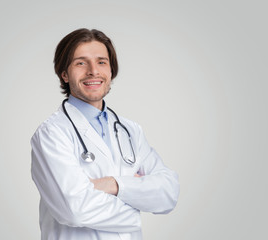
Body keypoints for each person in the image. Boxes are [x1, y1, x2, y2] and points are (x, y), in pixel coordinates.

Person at [31, 28, 180, 240]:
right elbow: (74, 210)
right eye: (81, 63)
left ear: (111, 71)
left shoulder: (130, 131)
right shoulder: (52, 133)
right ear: (64, 74)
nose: (93, 71)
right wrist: (137, 200)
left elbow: (168, 193)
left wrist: (113, 184)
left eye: (101, 62)